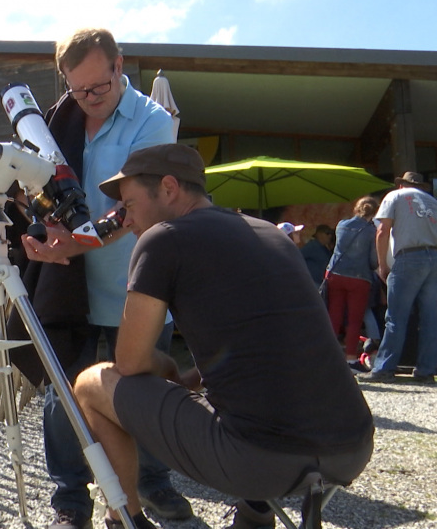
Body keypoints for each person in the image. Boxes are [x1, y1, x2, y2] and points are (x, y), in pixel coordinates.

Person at [72, 143, 374, 529]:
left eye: (129, 205)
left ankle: (125, 518)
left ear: (168, 188)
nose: (125, 220)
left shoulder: (163, 238)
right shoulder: (271, 235)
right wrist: (190, 380)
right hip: (352, 447)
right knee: (246, 397)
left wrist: (168, 367)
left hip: (263, 461)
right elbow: (258, 347)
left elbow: (130, 362)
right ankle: (255, 516)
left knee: (91, 383)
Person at [6, 28, 192, 529]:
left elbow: (137, 207)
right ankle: (70, 500)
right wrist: (35, 224)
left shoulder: (153, 121)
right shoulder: (53, 120)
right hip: (70, 286)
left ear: (119, 66)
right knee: (63, 394)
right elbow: (34, 190)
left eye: (98, 89)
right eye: (76, 90)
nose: (87, 101)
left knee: (145, 396)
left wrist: (78, 242)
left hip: (138, 288)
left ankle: (151, 487)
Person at [365, 171, 437, 383]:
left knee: (396, 317)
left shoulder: (394, 197)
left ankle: (384, 368)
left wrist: (382, 264)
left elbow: (382, 230)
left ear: (401, 185)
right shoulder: (432, 201)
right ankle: (426, 370)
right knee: (431, 318)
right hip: (434, 257)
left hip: (409, 257)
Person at [324, 197, 379, 373]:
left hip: (336, 274)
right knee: (354, 320)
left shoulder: (341, 225)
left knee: (334, 316)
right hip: (359, 278)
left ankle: (330, 357)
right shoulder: (372, 231)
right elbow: (373, 260)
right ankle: (351, 360)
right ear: (375, 212)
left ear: (356, 208)